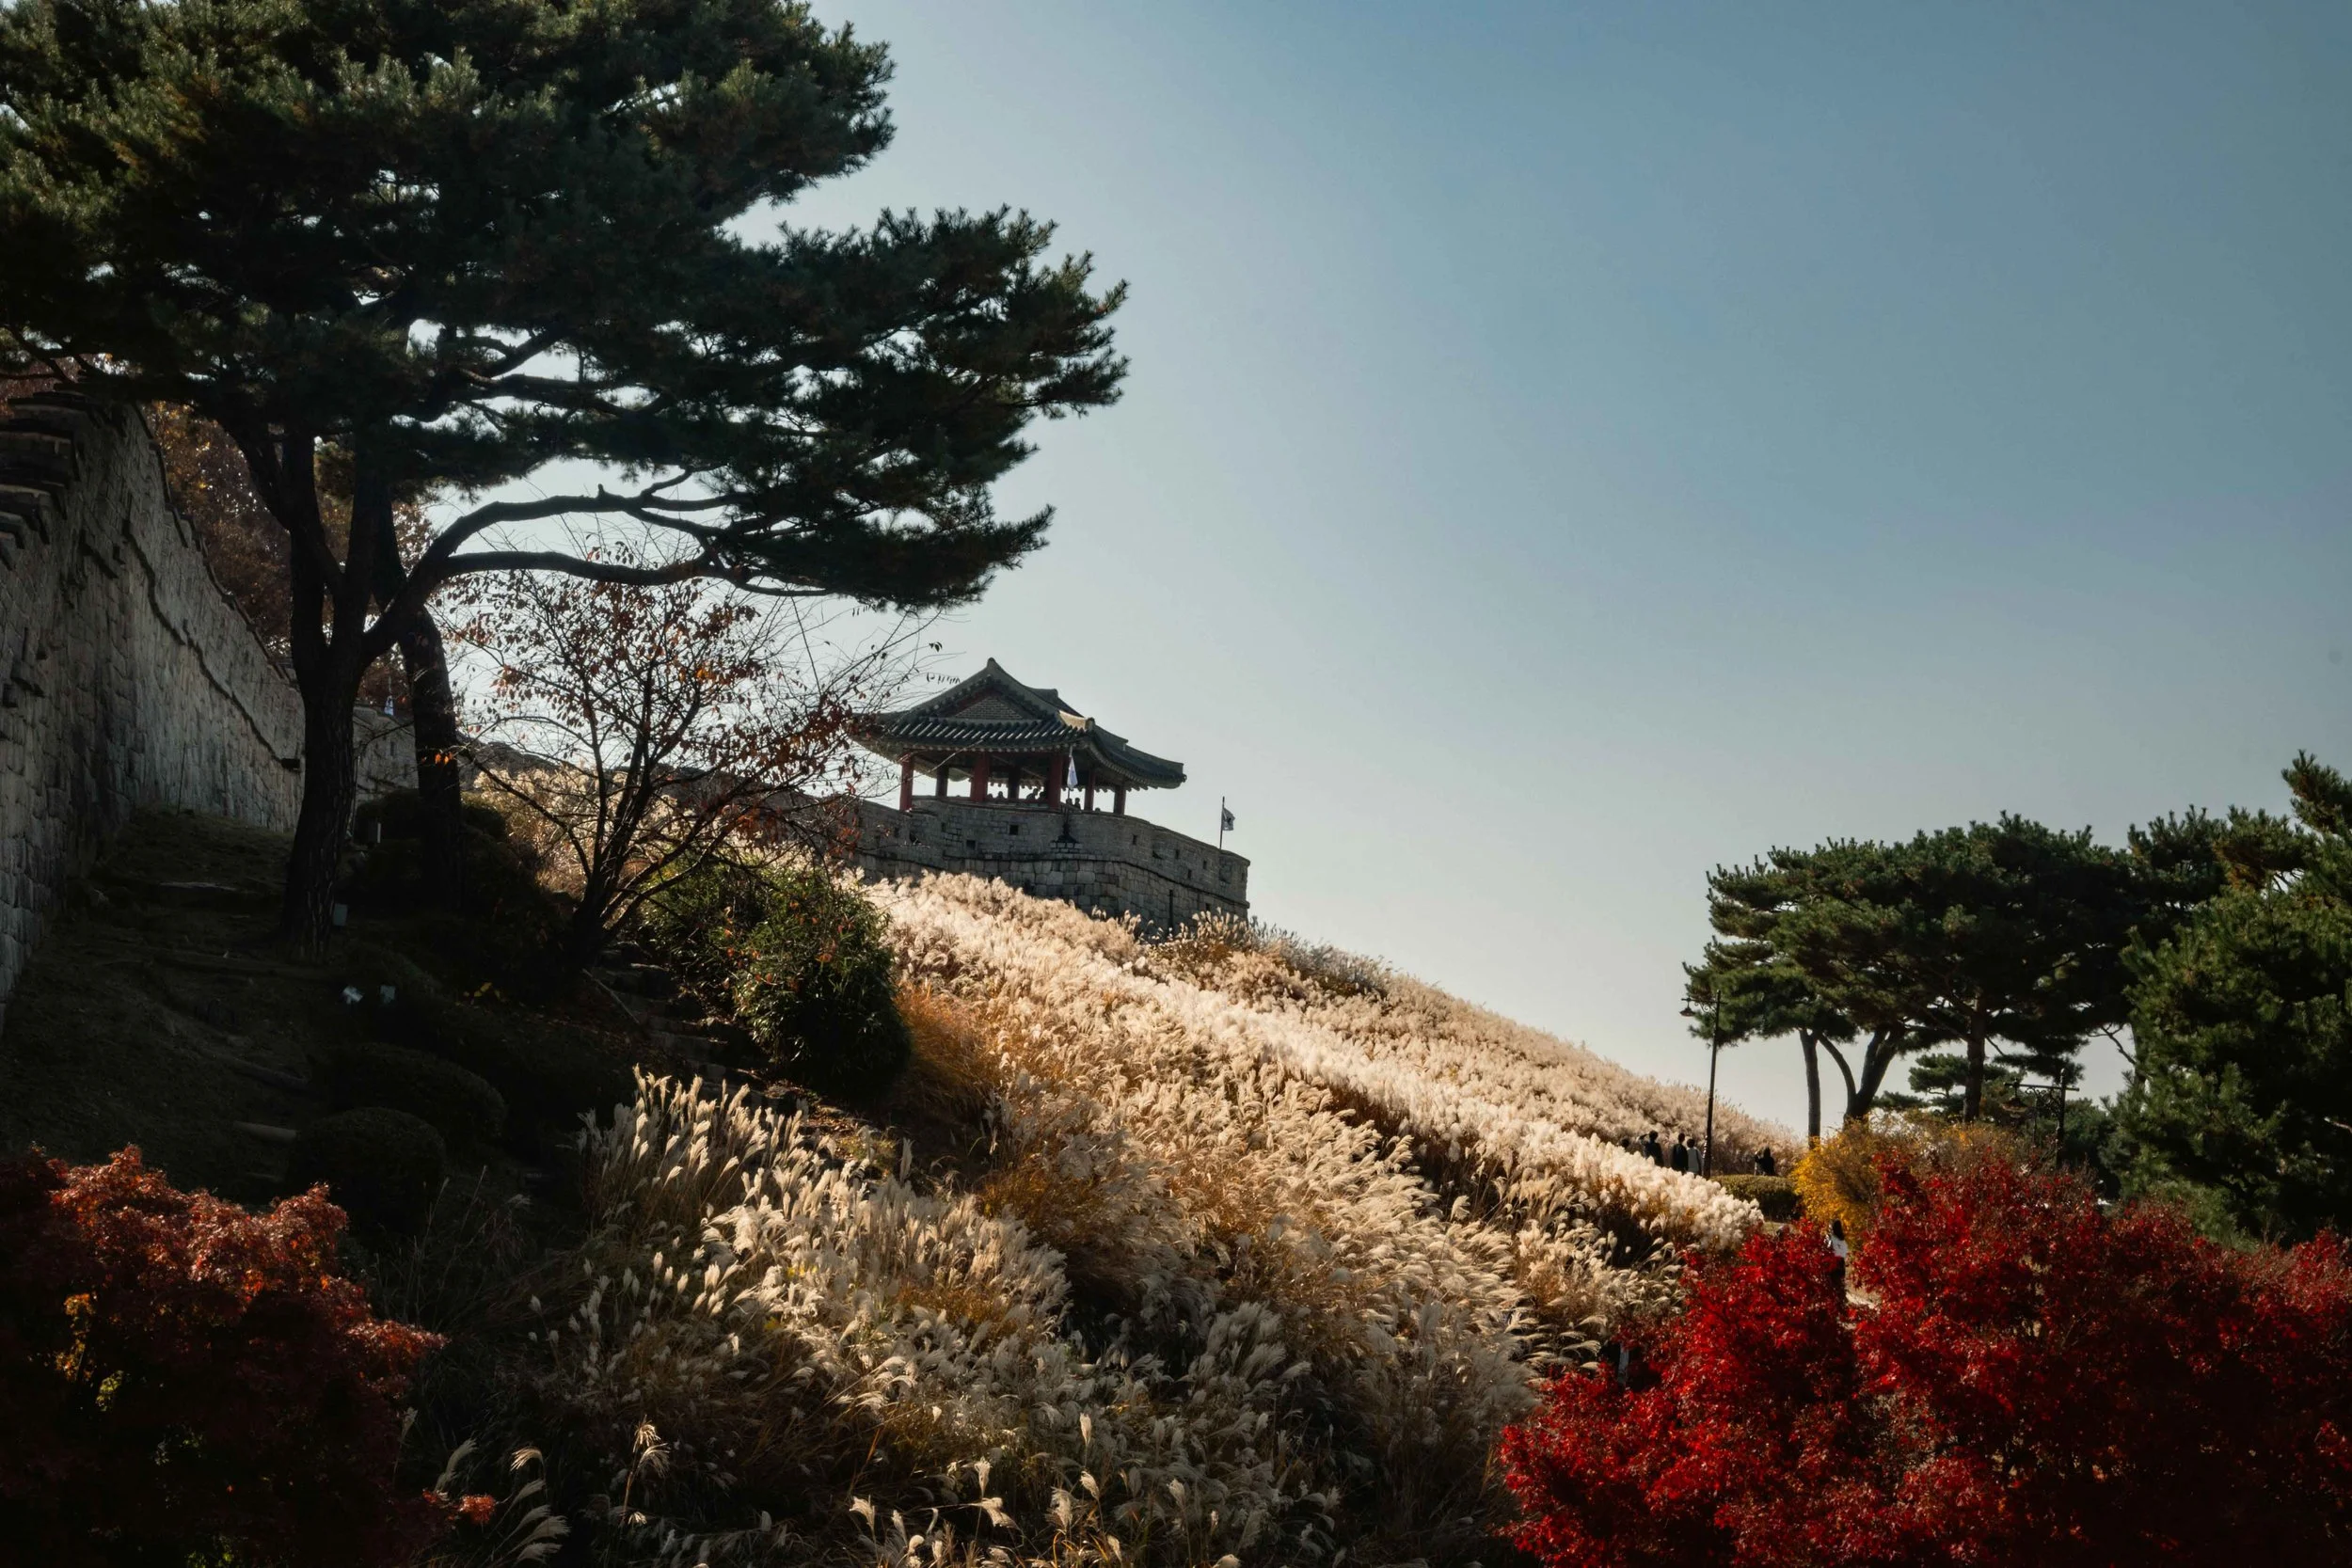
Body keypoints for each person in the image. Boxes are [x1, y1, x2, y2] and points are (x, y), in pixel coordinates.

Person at [1826, 1217, 1850, 1291]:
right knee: (1840, 1288)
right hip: (1841, 1266)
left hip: (1833, 1267)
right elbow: (1844, 1252)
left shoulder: (1832, 1239)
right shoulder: (1842, 1239)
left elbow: (1828, 1250)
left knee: (1832, 1290)